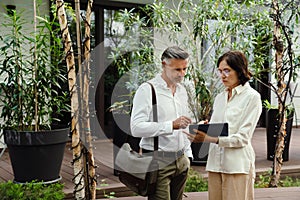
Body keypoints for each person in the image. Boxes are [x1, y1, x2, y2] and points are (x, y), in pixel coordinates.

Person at [184, 50, 262, 200]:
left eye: (227, 70)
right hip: (215, 164)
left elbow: (243, 138)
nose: (223, 76)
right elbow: (218, 127)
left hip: (237, 166)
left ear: (240, 71)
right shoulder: (220, 98)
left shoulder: (252, 98)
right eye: (220, 71)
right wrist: (204, 126)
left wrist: (210, 139)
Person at [130, 46, 193, 200]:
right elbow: (136, 128)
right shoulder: (147, 90)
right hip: (158, 161)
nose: (182, 73)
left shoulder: (182, 91)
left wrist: (188, 155)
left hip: (181, 159)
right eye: (177, 69)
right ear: (164, 65)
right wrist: (171, 125)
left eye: (185, 68)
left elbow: (184, 123)